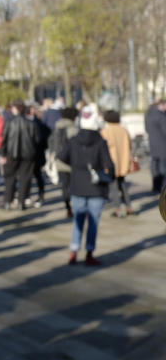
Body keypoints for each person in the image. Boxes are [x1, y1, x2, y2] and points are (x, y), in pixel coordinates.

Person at [58, 104, 114, 266]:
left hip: (77, 185)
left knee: (78, 220)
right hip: (96, 187)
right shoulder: (100, 141)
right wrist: (108, 175)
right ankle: (89, 253)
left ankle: (73, 252)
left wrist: (74, 168)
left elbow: (61, 157)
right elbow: (109, 165)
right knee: (93, 222)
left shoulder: (73, 140)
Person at [1, 100, 42, 211]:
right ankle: (21, 202)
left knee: (10, 179)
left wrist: (3, 154)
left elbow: (4, 139)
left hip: (12, 154)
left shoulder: (9, 122)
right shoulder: (31, 123)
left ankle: (7, 202)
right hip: (27, 155)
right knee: (25, 179)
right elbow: (37, 140)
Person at [101, 110, 134, 217]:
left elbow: (102, 148)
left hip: (112, 163)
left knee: (113, 186)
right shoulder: (124, 130)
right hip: (123, 162)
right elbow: (130, 145)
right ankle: (129, 207)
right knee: (123, 185)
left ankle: (117, 209)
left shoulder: (106, 131)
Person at [48, 107, 79, 218]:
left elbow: (51, 143)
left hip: (60, 161)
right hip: (73, 162)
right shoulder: (74, 129)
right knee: (74, 185)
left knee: (65, 185)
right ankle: (75, 206)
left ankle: (67, 206)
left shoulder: (57, 128)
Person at [145, 98, 166, 194]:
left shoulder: (148, 114)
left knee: (154, 167)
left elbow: (146, 129)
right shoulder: (161, 116)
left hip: (152, 144)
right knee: (163, 168)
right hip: (163, 145)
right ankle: (163, 188)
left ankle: (155, 187)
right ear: (161, 105)